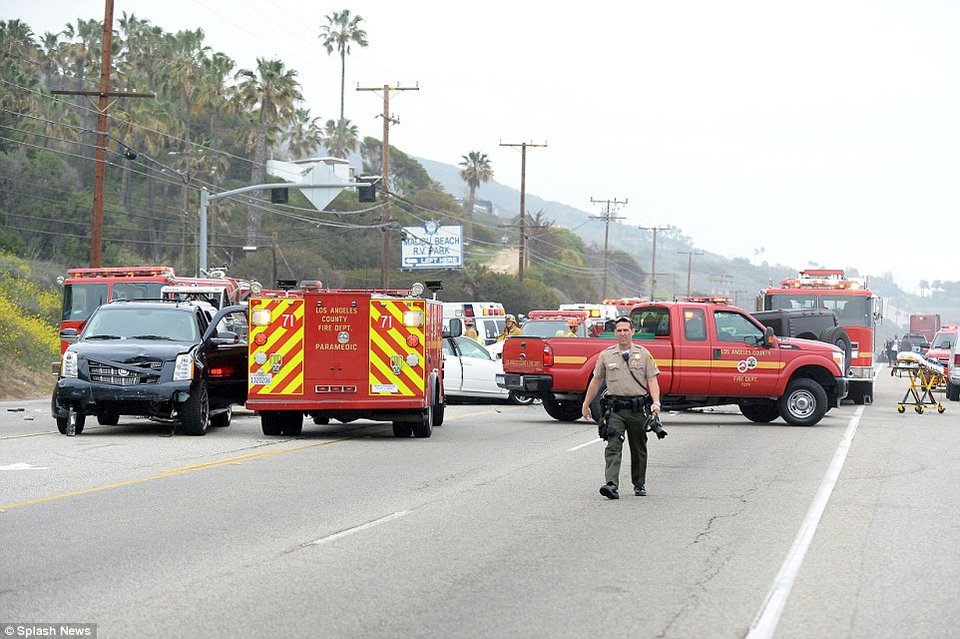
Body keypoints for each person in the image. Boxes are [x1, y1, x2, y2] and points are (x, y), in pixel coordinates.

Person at [581, 316, 661, 499]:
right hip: (615, 409)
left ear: (633, 332)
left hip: (638, 408)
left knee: (638, 447)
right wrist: (586, 404)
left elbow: (652, 380)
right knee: (613, 445)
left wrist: (656, 402)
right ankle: (611, 484)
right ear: (614, 333)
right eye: (619, 330)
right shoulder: (606, 355)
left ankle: (639, 483)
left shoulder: (644, 354)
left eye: (626, 330)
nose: (622, 334)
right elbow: (596, 380)